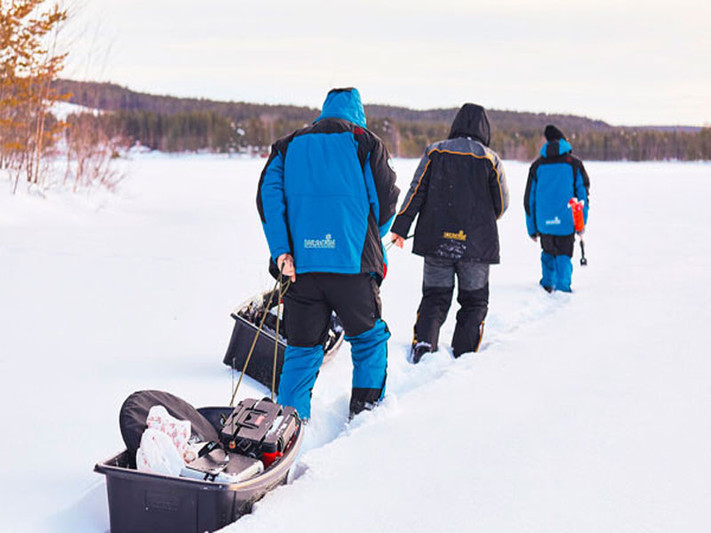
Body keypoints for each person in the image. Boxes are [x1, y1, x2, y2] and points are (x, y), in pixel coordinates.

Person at [256, 87, 400, 420]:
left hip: (301, 270)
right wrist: (368, 239)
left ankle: (287, 430)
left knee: (302, 351)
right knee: (368, 342)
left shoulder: (288, 145)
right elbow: (386, 199)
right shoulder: (365, 141)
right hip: (352, 267)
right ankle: (364, 415)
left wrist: (282, 251)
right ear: (358, 112)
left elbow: (268, 199)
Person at [390, 103, 509, 363]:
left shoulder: (435, 151)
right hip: (476, 246)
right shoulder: (490, 158)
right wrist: (484, 219)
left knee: (434, 297)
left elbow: (415, 191)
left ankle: (423, 347)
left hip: (436, 241)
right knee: (474, 302)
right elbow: (501, 202)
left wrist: (401, 227)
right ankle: (464, 356)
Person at [524, 124, 590, 293]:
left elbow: (529, 200)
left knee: (547, 254)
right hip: (567, 222)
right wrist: (581, 224)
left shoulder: (537, 166)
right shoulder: (574, 164)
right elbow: (582, 197)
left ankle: (547, 286)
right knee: (564, 256)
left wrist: (532, 229)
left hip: (544, 222)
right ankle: (563, 290)